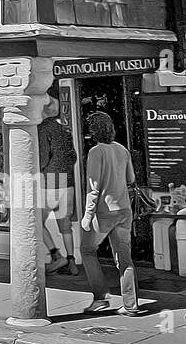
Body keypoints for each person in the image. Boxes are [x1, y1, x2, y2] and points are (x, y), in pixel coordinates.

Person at [78, 111, 145, 315]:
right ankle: (131, 304)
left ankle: (101, 298)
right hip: (124, 210)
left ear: (93, 131)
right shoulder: (122, 149)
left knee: (87, 250)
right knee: (124, 258)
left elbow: (94, 187)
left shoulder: (96, 152)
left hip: (104, 212)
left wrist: (87, 216)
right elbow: (131, 178)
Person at [38, 87, 78, 275]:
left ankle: (56, 256)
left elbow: (43, 158)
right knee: (66, 225)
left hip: (51, 182)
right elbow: (73, 157)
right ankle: (71, 260)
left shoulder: (43, 129)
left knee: (38, 221)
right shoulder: (65, 129)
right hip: (68, 182)